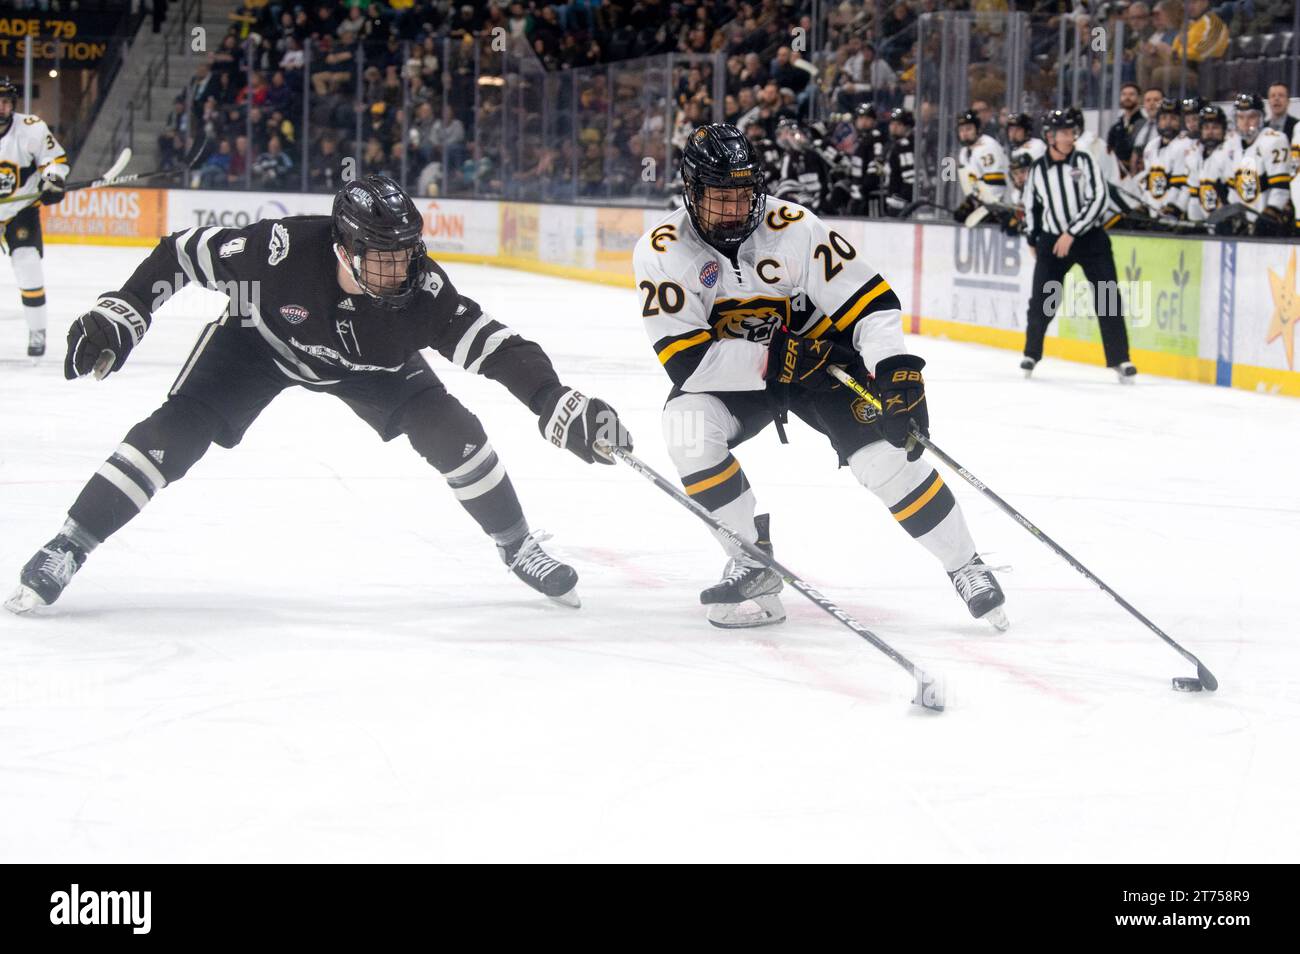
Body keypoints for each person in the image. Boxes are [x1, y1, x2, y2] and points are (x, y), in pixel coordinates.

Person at [5, 176, 632, 614]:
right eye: (381, 259)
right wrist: (124, 314)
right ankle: (71, 543)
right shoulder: (276, 254)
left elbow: (497, 346)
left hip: (373, 367)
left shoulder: (422, 293)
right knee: (177, 433)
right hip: (259, 343)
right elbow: (181, 253)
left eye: (407, 256)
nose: (399, 272)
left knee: (455, 431)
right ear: (343, 247)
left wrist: (553, 398)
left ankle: (518, 544)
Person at [631, 123, 1007, 631]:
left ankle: (967, 566)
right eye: (720, 197)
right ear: (691, 192)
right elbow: (687, 363)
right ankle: (750, 559)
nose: (734, 209)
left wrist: (895, 370)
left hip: (823, 363)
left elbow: (869, 303)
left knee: (884, 460)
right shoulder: (662, 249)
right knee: (687, 427)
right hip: (739, 374)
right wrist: (775, 358)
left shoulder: (795, 227)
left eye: (743, 195)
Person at [1020, 110, 1137, 383]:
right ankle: (1031, 353)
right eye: (1062, 132)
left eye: (1071, 132)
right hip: (1052, 240)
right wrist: (1032, 238)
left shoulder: (1084, 159)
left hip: (1089, 239)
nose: (1068, 137)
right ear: (1050, 136)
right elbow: (1032, 204)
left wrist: (1071, 232)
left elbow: (1099, 198)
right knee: (1043, 299)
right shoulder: (1038, 168)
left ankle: (1121, 359)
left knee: (1107, 296)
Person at [0, 76, 68, 359]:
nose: (1, 107)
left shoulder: (31, 128)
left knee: (27, 263)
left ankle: (37, 332)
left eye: (5, 102)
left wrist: (52, 181)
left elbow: (55, 162)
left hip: (20, 209)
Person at [1224, 93, 1292, 237]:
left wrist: (1270, 214)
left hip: (1271, 226)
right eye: (1241, 117)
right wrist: (1232, 216)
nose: (1246, 122)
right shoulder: (1232, 144)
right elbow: (1233, 189)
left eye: (1251, 117)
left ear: (1261, 118)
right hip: (1246, 226)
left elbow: (1281, 189)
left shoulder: (1274, 140)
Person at [1136, 98, 1190, 221]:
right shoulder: (1151, 146)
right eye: (1164, 118)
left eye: (1173, 118)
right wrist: (1145, 203)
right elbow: (1149, 181)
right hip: (1154, 212)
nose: (1168, 123)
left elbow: (1184, 184)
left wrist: (1175, 207)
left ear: (1180, 121)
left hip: (1177, 213)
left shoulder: (1186, 145)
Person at [1185, 104, 1239, 226]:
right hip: (1206, 223)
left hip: (1228, 224)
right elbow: (1194, 195)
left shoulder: (1230, 153)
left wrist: (1228, 217)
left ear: (1224, 130)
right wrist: (1195, 222)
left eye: (1215, 127)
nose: (1210, 132)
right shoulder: (1194, 154)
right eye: (1206, 127)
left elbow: (1235, 194)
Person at [953, 108, 1009, 220]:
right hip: (985, 206)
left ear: (977, 129)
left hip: (1002, 208)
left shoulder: (988, 147)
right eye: (961, 130)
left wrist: (985, 209)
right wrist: (970, 204)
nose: (964, 133)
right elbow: (974, 185)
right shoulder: (964, 152)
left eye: (968, 129)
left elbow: (996, 186)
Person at [882, 107, 915, 217]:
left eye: (899, 124)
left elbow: (910, 179)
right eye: (892, 124)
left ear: (908, 127)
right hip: (894, 197)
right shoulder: (893, 145)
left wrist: (901, 199)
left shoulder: (905, 146)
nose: (894, 127)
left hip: (901, 201)